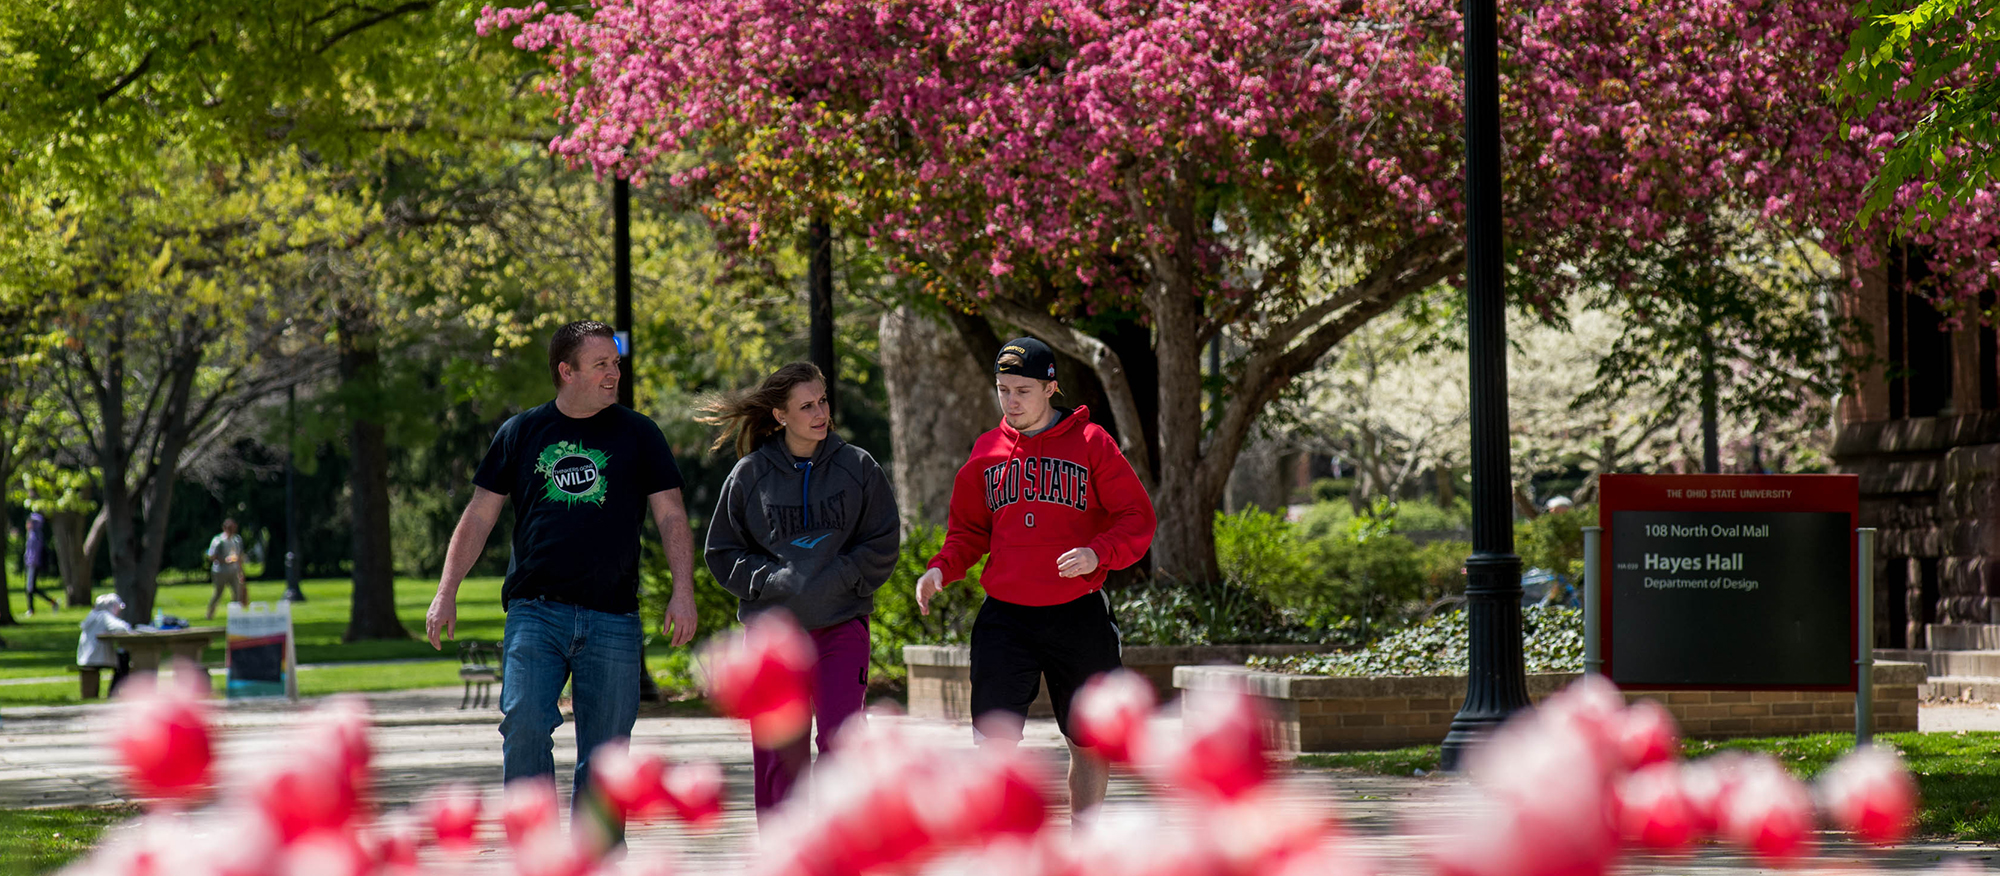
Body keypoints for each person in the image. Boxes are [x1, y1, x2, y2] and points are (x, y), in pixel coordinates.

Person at [424, 320, 699, 828]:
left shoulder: (640, 434)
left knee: (607, 758)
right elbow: (480, 514)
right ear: (566, 371)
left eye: (615, 363)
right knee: (525, 723)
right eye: (601, 365)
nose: (614, 374)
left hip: (614, 617)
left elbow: (671, 516)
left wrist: (683, 591)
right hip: (536, 611)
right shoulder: (522, 432)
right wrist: (447, 591)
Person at [913, 337, 1156, 822]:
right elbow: (968, 532)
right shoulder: (986, 452)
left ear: (1051, 387)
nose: (1012, 401)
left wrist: (1097, 552)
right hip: (1006, 616)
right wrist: (942, 568)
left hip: (1077, 613)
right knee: (993, 741)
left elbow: (1136, 516)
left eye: (1022, 389)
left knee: (1089, 740)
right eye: (1003, 390)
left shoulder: (1092, 443)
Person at [701, 362, 901, 817]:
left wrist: (844, 575)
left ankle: (838, 852)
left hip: (841, 627)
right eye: (806, 405)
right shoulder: (750, 475)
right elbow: (722, 552)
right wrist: (769, 580)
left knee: (841, 740)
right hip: (773, 639)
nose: (820, 413)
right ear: (780, 415)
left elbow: (883, 539)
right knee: (778, 755)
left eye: (823, 401)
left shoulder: (857, 467)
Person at [78, 593, 133, 696]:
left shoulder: (92, 615)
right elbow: (122, 628)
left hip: (85, 656)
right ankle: (113, 692)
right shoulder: (104, 616)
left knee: (122, 660)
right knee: (124, 661)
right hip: (97, 657)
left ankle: (113, 692)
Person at [204, 518, 247, 620]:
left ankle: (235, 615)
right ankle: (210, 614)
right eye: (229, 528)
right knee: (218, 593)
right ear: (224, 528)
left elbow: (239, 556)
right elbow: (212, 556)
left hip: (233, 571)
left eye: (233, 528)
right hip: (220, 571)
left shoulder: (237, 540)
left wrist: (241, 571)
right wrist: (224, 560)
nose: (231, 530)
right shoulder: (218, 540)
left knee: (237, 593)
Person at [22, 512, 59, 616]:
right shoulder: (32, 534)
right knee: (31, 588)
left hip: (33, 564)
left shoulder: (35, 535)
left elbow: (34, 552)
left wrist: (31, 563)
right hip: (30, 563)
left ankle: (32, 609)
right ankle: (50, 603)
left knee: (30, 589)